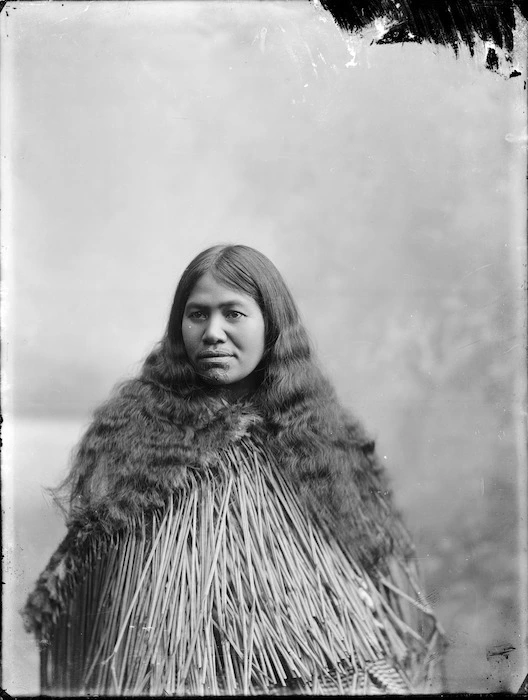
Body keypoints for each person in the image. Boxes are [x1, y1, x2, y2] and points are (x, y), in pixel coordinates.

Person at [23, 244, 445, 695]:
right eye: (198, 315)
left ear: (271, 326)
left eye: (234, 314)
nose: (213, 333)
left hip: (326, 663)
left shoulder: (318, 440)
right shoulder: (137, 439)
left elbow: (369, 573)